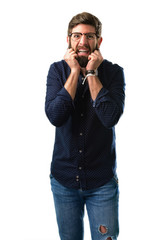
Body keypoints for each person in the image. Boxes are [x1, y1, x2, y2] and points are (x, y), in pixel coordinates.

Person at [45, 12, 125, 240]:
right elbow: (55, 116)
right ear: (68, 40)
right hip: (64, 181)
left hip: (102, 184)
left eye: (89, 36)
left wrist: (90, 72)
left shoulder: (113, 73)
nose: (83, 42)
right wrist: (73, 72)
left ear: (99, 42)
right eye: (77, 36)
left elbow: (109, 117)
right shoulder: (57, 71)